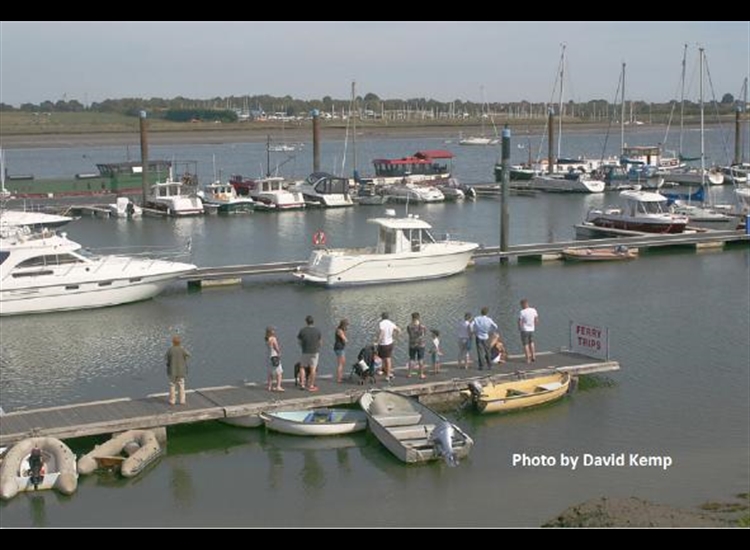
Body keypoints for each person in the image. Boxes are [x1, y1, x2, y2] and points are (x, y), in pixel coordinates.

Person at [297, 315, 322, 391]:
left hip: (305, 351)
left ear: (306, 322)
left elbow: (299, 342)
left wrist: (303, 347)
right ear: (313, 321)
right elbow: (320, 342)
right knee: (313, 368)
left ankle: (302, 384)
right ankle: (311, 385)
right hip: (315, 352)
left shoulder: (302, 330)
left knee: (302, 367)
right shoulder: (318, 331)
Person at [165, 334, 190, 405]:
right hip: (181, 371)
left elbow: (166, 358)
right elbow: (188, 355)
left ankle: (172, 400)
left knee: (172, 385)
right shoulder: (182, 349)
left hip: (172, 371)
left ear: (173, 342)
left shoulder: (170, 350)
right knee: (181, 385)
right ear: (180, 342)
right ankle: (182, 400)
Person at [376, 312, 401, 380]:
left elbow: (382, 332)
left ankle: (385, 373)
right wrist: (395, 337)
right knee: (387, 358)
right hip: (390, 343)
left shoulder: (381, 323)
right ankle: (386, 372)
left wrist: (377, 341)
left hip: (383, 343)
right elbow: (398, 330)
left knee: (383, 358)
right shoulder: (391, 323)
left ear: (382, 317)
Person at [406, 312, 427, 379]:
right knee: (421, 359)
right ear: (418, 318)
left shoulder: (409, 326)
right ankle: (421, 374)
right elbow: (424, 334)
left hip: (412, 344)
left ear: (412, 318)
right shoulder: (422, 326)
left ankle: (409, 373)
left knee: (411, 359)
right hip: (421, 344)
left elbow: (409, 334)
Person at [518, 298, 539, 363]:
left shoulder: (522, 312)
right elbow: (536, 319)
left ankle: (528, 359)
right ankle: (533, 356)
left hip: (525, 330)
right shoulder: (533, 310)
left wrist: (520, 328)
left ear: (523, 304)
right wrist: (534, 325)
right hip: (532, 329)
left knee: (525, 344)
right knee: (531, 342)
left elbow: (520, 321)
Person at [266, 327, 283, 392]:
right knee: (279, 372)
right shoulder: (273, 339)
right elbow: (276, 347)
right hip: (274, 356)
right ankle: (278, 386)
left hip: (269, 356)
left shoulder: (267, 339)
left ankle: (269, 386)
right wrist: (279, 352)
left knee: (270, 372)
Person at [333, 319, 349, 383]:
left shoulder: (342, 330)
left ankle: (341, 376)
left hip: (341, 348)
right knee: (340, 363)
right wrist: (346, 339)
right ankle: (339, 378)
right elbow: (344, 339)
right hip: (339, 348)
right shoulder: (339, 330)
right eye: (346, 325)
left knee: (343, 362)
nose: (347, 327)